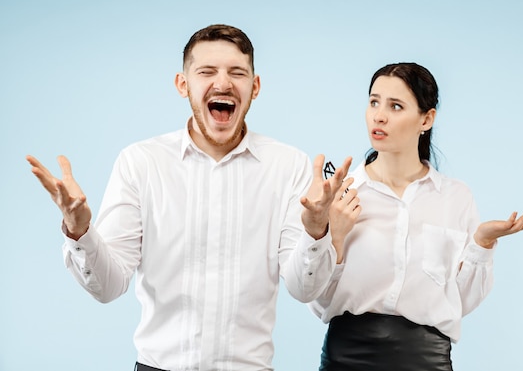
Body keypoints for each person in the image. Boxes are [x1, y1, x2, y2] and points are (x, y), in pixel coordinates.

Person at [26, 24, 351, 371]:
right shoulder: (141, 162)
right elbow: (107, 286)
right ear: (183, 84)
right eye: (206, 72)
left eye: (237, 73)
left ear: (255, 88)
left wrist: (317, 231)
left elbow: (304, 289)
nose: (223, 84)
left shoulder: (288, 165)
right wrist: (80, 231)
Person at [309, 62, 523, 371]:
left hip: (426, 361)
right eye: (373, 102)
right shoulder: (341, 194)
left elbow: (460, 301)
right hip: (346, 358)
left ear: (427, 118)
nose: (379, 115)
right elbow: (315, 296)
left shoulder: (455, 197)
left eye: (396, 106)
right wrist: (334, 237)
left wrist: (482, 243)